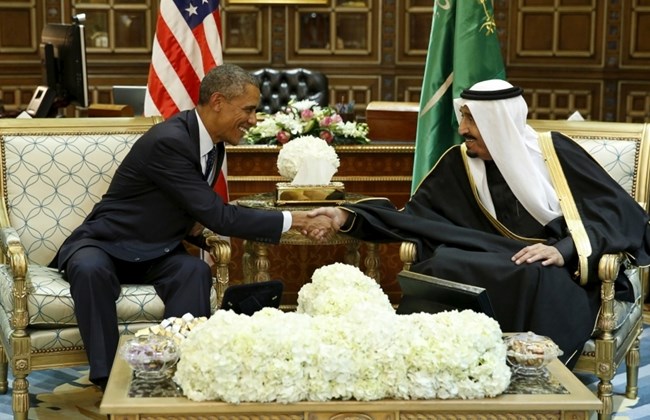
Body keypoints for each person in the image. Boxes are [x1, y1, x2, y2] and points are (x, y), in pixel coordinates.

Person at [310, 79, 650, 367]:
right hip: (485, 255)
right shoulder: (459, 164)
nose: (462, 130)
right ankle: (439, 363)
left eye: (471, 119)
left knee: (529, 271)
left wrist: (564, 249)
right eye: (463, 117)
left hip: (551, 267)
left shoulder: (553, 152)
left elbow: (619, 213)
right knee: (442, 264)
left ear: (498, 123)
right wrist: (346, 215)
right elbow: (412, 220)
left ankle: (527, 372)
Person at [51, 63, 336, 390]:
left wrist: (196, 226)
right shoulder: (171, 140)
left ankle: (183, 371)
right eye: (248, 109)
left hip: (154, 250)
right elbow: (218, 216)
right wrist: (296, 219)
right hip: (104, 243)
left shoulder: (212, 144)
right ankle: (108, 383)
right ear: (218, 102)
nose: (254, 120)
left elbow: (188, 207)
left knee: (193, 272)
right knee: (90, 270)